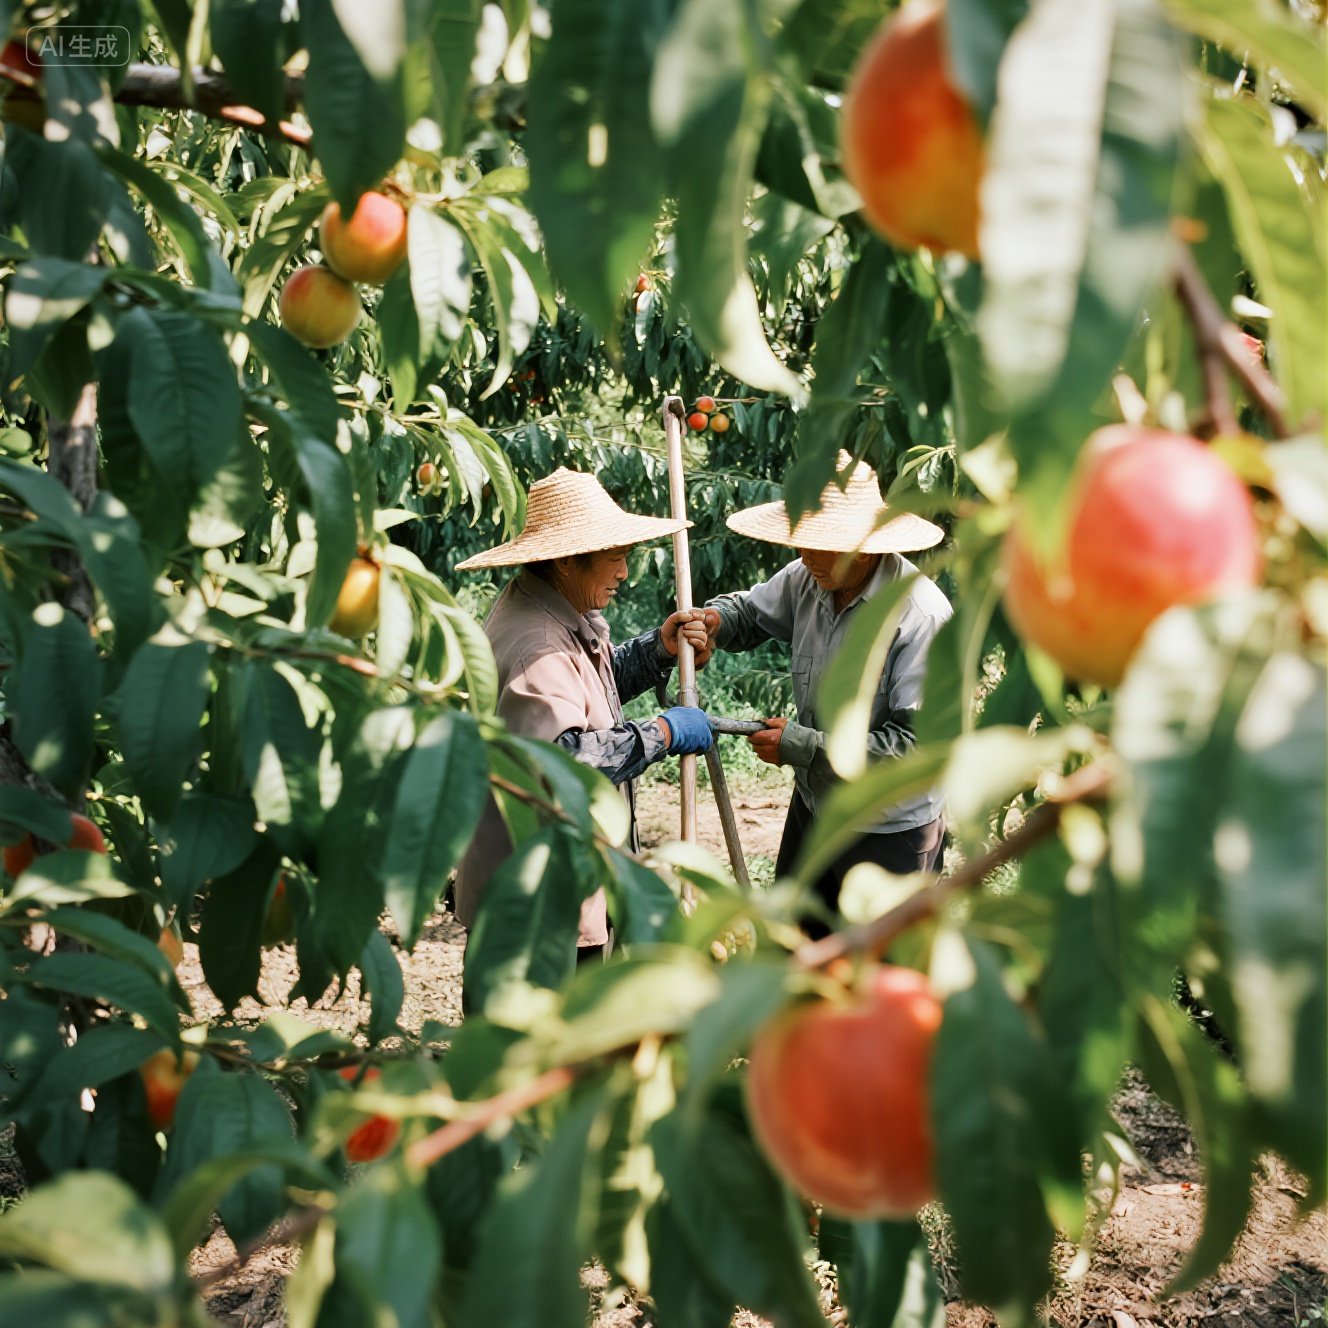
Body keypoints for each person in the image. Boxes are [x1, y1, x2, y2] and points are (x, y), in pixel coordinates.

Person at [452, 467, 713, 965]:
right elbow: (563, 762)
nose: (624, 573)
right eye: (615, 558)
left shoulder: (547, 611)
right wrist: (661, 733)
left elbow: (590, 686)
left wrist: (656, 650)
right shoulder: (537, 644)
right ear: (568, 561)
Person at [699, 454, 951, 934]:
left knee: (879, 963)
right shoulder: (808, 577)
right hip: (816, 808)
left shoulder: (919, 617)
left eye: (821, 545)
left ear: (867, 547)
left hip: (887, 828)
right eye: (802, 541)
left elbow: (916, 750)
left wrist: (803, 746)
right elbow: (750, 614)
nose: (806, 555)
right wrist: (715, 621)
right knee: (795, 945)